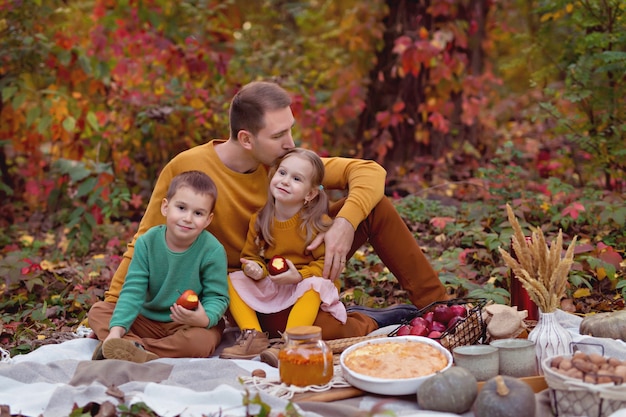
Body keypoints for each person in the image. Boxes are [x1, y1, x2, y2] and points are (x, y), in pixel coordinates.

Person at [88, 80, 447, 355]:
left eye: (290, 129)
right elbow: (147, 238)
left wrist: (344, 223)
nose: (291, 141)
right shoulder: (188, 168)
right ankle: (372, 319)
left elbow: (370, 172)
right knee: (306, 333)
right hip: (248, 286)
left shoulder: (284, 166)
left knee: (374, 207)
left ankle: (444, 309)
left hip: (302, 264)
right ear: (246, 138)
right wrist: (115, 305)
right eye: (279, 135)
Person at [220, 148, 347, 360]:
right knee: (232, 279)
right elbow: (251, 256)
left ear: (310, 194)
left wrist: (299, 276)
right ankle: (253, 336)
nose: (285, 181)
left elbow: (328, 265)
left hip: (304, 285)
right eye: (282, 173)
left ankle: (291, 342)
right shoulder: (260, 220)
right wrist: (255, 269)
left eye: (296, 178)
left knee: (314, 285)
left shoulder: (319, 224)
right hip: (276, 282)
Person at [89, 171, 229, 362]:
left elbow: (217, 296)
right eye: (181, 208)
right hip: (145, 319)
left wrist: (204, 318)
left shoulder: (212, 250)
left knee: (204, 339)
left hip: (184, 323)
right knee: (99, 311)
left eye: (198, 213)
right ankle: (123, 342)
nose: (188, 218)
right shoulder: (147, 242)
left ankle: (139, 349)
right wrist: (115, 331)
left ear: (208, 220)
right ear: (165, 207)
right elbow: (133, 290)